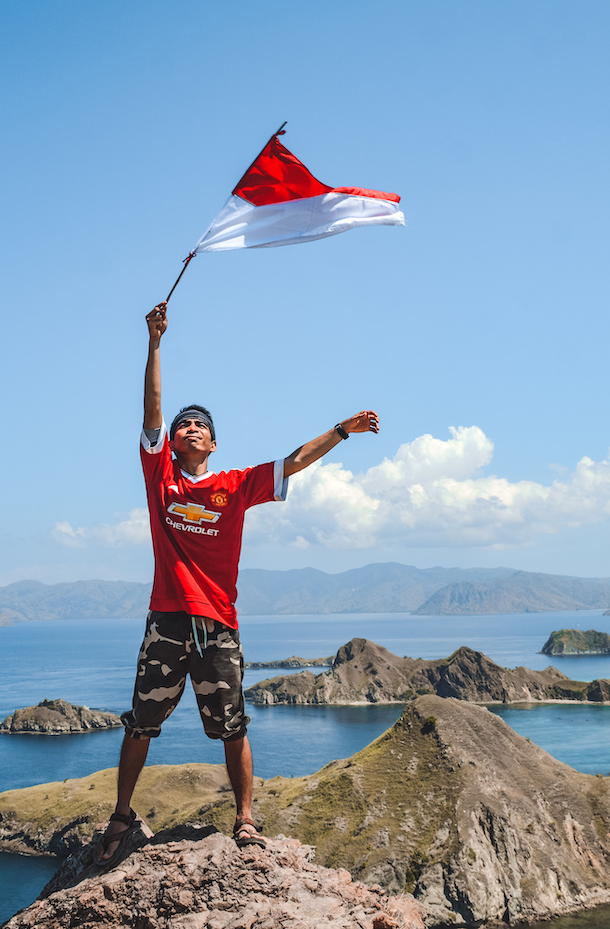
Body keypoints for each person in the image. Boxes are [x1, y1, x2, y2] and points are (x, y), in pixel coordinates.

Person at [94, 301, 379, 867]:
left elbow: (293, 462)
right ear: (171, 443)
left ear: (213, 443)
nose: (188, 427)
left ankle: (246, 819)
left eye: (199, 424)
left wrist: (342, 430)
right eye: (182, 425)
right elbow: (150, 413)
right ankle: (122, 814)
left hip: (219, 623)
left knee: (233, 725)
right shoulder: (162, 477)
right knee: (141, 722)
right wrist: (154, 344)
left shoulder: (235, 484)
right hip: (167, 619)